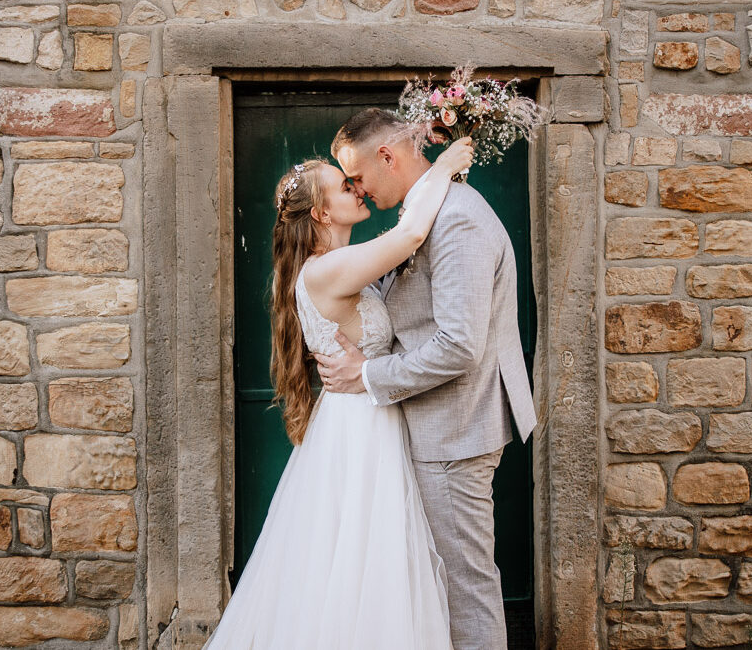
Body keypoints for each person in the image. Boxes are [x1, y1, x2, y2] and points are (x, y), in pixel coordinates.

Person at [202, 137, 475, 649]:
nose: (355, 188)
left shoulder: (337, 262)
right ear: (324, 213)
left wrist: (371, 366)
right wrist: (442, 167)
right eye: (343, 185)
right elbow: (413, 232)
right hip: (360, 429)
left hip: (361, 413)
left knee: (357, 562)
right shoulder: (327, 269)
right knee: (366, 558)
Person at [317, 108, 538, 650]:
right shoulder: (426, 209)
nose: (359, 190)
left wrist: (367, 374)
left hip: (455, 430)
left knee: (464, 585)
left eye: (359, 177)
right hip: (438, 428)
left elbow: (459, 345)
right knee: (438, 582)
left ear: (387, 157)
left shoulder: (456, 216)